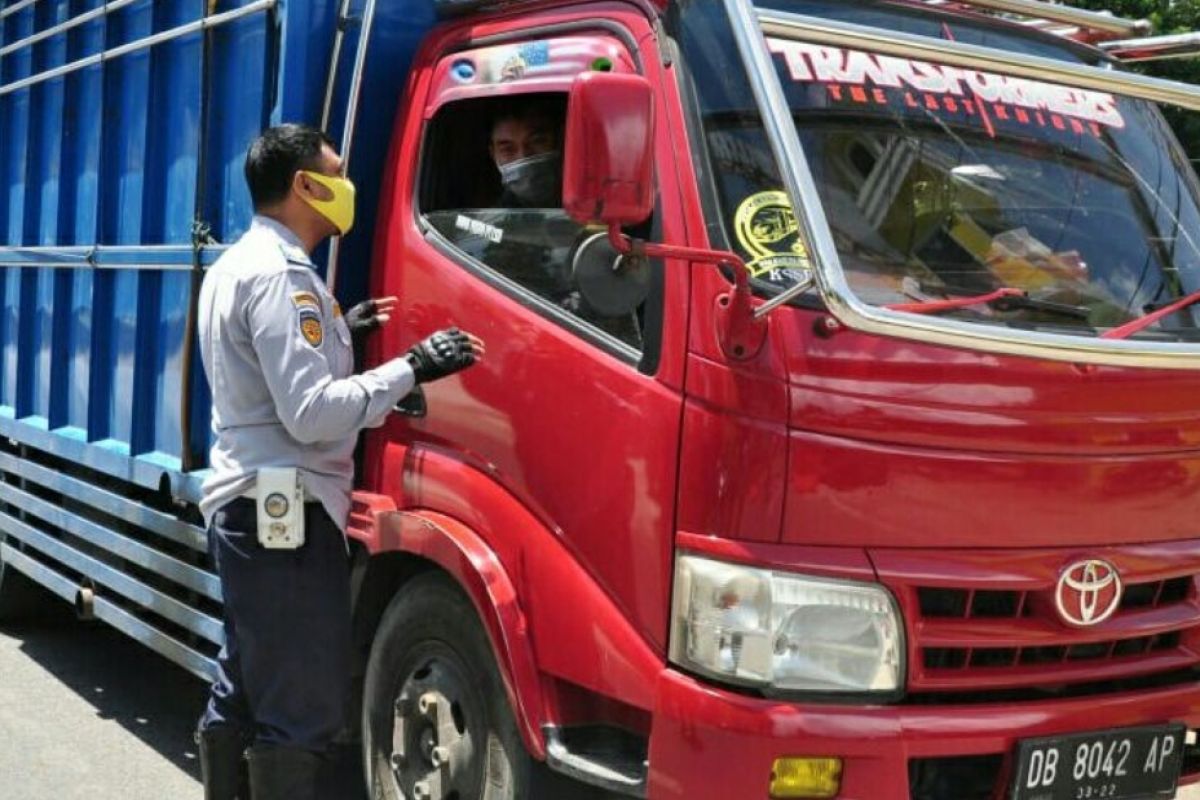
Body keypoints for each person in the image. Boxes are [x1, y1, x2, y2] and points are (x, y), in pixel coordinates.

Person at [193, 123, 484, 800]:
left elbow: (264, 380)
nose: (347, 184)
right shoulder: (284, 276)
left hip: (253, 503)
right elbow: (311, 413)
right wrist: (413, 367)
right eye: (337, 170)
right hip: (283, 511)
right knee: (300, 704)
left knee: (245, 680)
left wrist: (340, 335)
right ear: (304, 186)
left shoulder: (240, 263)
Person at [489, 95, 565, 208]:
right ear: (493, 154)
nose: (523, 156)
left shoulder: (590, 205)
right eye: (507, 149)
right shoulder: (492, 221)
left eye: (536, 141)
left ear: (560, 141)